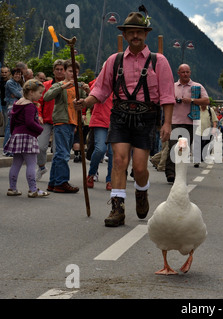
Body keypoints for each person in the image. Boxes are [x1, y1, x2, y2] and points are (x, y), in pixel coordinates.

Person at [74, 11, 175, 227]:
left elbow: (167, 95)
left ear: (145, 34)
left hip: (146, 117)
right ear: (125, 35)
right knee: (119, 161)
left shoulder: (160, 61)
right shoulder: (114, 60)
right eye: (131, 32)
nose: (135, 36)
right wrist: (86, 103)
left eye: (139, 32)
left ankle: (141, 192)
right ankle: (117, 208)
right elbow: (100, 90)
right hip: (119, 115)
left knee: (139, 167)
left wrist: (167, 123)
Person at [44, 59, 89, 194]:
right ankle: (62, 182)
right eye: (70, 71)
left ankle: (53, 183)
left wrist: (87, 91)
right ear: (65, 72)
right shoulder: (59, 85)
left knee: (59, 154)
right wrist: (62, 87)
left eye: (75, 72)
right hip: (61, 121)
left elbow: (86, 103)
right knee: (63, 154)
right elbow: (46, 97)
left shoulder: (78, 87)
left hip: (72, 122)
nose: (73, 74)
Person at [4, 79, 49, 198]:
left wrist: (14, 133)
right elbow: (29, 123)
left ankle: (12, 188)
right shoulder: (30, 106)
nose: (41, 95)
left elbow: (12, 121)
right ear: (31, 92)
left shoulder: (17, 103)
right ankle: (33, 189)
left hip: (17, 135)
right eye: (39, 92)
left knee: (16, 163)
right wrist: (40, 129)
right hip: (28, 136)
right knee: (31, 164)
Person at [166, 63, 209, 182]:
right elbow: (164, 100)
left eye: (187, 72)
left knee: (183, 149)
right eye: (183, 72)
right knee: (173, 147)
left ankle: (180, 173)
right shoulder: (172, 86)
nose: (185, 74)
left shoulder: (197, 86)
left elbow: (206, 100)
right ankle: (170, 173)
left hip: (190, 122)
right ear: (178, 73)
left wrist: (192, 100)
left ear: (190, 73)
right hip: (174, 121)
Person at [36, 59, 66, 181]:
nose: (59, 71)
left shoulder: (68, 85)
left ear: (65, 71)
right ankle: (42, 167)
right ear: (53, 71)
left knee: (57, 150)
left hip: (61, 121)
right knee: (40, 146)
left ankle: (54, 175)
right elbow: (38, 101)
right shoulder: (46, 85)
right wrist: (39, 115)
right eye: (57, 69)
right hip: (46, 120)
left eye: (61, 69)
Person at [86, 77, 113, 190]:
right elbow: (92, 93)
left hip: (115, 122)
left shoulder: (121, 83)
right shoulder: (100, 82)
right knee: (100, 149)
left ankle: (110, 180)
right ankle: (91, 174)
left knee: (112, 153)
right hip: (100, 120)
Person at [3, 68, 23, 156]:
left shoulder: (18, 83)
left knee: (13, 128)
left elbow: (20, 93)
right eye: (16, 74)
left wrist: (18, 94)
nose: (18, 76)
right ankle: (6, 150)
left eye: (19, 74)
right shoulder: (10, 82)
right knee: (9, 128)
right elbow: (20, 94)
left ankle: (10, 149)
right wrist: (19, 94)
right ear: (12, 74)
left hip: (17, 106)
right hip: (11, 106)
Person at [194, 101, 218, 166]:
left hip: (207, 131)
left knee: (204, 145)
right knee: (197, 146)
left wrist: (214, 128)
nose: (202, 104)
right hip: (197, 131)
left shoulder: (210, 110)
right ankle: (197, 161)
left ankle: (201, 156)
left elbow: (214, 120)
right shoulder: (196, 109)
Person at [1, 66, 11, 134]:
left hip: (8, 103)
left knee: (7, 121)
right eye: (2, 72)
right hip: (2, 103)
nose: (4, 74)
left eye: (5, 72)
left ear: (9, 73)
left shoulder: (11, 82)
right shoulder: (0, 81)